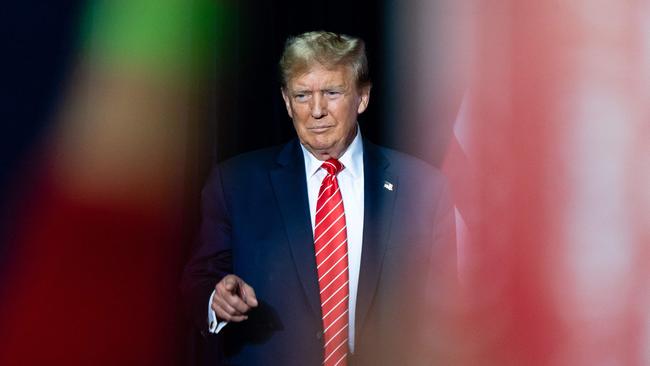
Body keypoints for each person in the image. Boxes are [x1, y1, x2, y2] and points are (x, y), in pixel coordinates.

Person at [181, 31, 456, 366]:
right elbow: (199, 280)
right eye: (301, 95)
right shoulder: (235, 184)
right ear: (285, 101)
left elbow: (444, 314)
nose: (316, 110)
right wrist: (216, 298)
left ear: (362, 97)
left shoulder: (423, 188)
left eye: (331, 92)